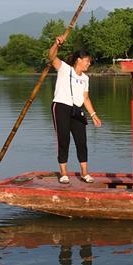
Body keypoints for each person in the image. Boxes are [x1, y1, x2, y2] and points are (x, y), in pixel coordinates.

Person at [49, 35, 102, 184]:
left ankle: (85, 173)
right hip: (60, 106)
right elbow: (51, 57)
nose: (89, 64)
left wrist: (93, 114)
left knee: (81, 140)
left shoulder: (85, 78)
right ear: (79, 60)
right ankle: (64, 173)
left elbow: (86, 98)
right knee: (63, 139)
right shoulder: (64, 69)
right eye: (87, 61)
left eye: (90, 62)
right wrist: (56, 44)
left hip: (77, 110)